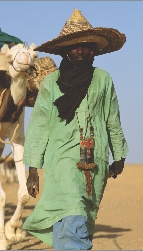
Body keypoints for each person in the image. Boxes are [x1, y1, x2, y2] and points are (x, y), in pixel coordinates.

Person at [22, 9, 129, 250]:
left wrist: (119, 155)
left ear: (94, 50)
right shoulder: (50, 83)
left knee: (77, 217)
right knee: (73, 211)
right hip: (60, 159)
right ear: (64, 51)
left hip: (96, 160)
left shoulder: (103, 79)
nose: (80, 50)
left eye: (85, 46)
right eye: (74, 46)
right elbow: (39, 125)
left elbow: (112, 119)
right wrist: (32, 168)